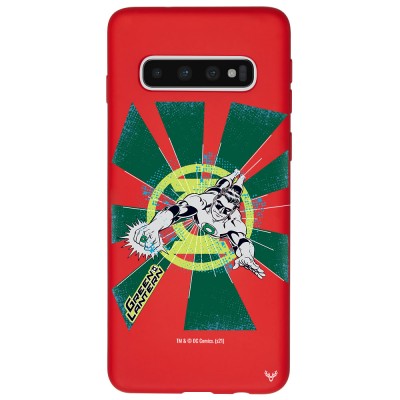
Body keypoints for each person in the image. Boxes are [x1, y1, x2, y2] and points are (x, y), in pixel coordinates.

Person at [134, 169, 265, 279]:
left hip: (226, 209)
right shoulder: (201, 202)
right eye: (219, 205)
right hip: (213, 193)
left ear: (232, 212)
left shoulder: (232, 223)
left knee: (237, 189)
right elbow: (175, 211)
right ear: (215, 200)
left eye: (226, 210)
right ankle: (233, 175)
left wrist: (247, 255)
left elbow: (242, 241)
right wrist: (154, 226)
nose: (220, 212)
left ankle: (240, 179)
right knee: (220, 186)